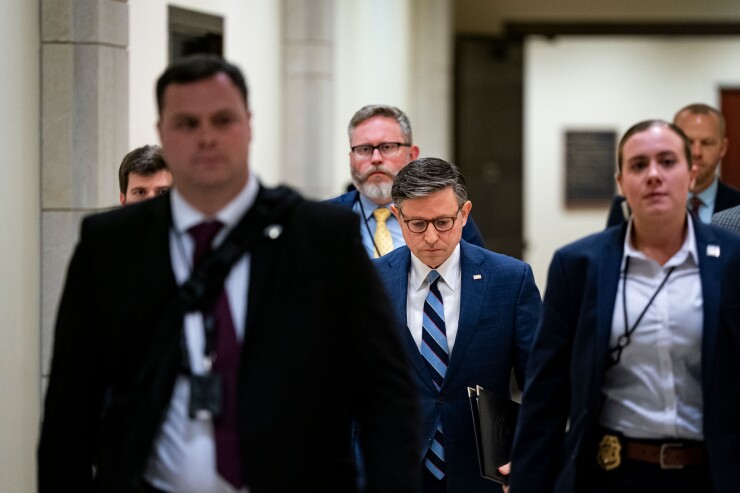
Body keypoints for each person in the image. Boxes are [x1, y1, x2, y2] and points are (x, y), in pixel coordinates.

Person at [38, 54, 420, 493]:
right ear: (163, 131)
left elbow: (386, 395)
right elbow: (70, 412)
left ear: (249, 125)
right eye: (187, 123)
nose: (206, 138)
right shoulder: (111, 244)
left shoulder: (318, 237)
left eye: (222, 120)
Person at [510, 120, 740, 493]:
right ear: (621, 183)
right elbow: (546, 394)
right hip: (613, 472)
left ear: (691, 173)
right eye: (638, 165)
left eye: (667, 162)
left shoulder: (731, 260)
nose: (653, 175)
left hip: (712, 473)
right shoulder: (579, 265)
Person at [374, 157, 541, 492]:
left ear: (464, 214)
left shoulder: (510, 280)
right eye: (417, 224)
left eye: (443, 222)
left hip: (484, 473)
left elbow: (541, 382)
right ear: (397, 216)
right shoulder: (370, 282)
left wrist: (531, 452)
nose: (432, 237)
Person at [326, 105, 486, 257]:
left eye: (387, 147)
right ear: (351, 158)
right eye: (364, 149)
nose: (375, 159)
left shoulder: (447, 215)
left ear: (412, 155)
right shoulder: (324, 219)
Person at [606, 103, 740, 226]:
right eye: (689, 142)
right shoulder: (628, 205)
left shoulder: (737, 204)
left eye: (707, 143)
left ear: (722, 148)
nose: (696, 152)